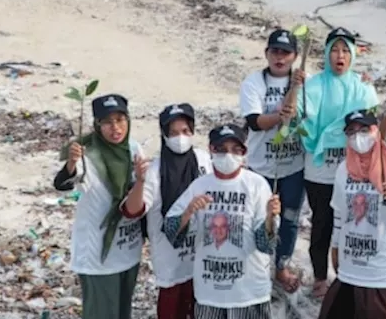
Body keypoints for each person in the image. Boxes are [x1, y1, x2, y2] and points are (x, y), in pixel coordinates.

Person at [163, 124, 281, 319]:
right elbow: (172, 234)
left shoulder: (256, 185)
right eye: (222, 149)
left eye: (236, 150)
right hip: (210, 295)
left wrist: (270, 217)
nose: (229, 155)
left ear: (244, 152)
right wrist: (188, 212)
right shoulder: (199, 185)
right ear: (211, 150)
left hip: (249, 294)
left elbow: (265, 245)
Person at [299, 27, 380, 298]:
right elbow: (301, 118)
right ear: (326, 53)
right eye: (334, 49)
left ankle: (349, 275)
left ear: (354, 54)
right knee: (321, 222)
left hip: (352, 168)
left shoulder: (363, 86)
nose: (339, 55)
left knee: (351, 222)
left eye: (345, 50)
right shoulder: (312, 85)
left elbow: (371, 123)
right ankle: (321, 277)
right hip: (319, 167)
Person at [318, 110, 386, 319]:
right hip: (351, 268)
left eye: (364, 130)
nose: (358, 137)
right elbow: (339, 213)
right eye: (351, 132)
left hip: (383, 272)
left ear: (375, 131)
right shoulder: (344, 170)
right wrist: (335, 247)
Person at [54, 93, 145, 319]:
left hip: (128, 251)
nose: (115, 128)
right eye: (107, 122)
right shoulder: (88, 154)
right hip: (98, 258)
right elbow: (63, 182)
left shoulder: (133, 149)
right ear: (97, 125)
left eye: (120, 119)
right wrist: (72, 163)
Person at [120, 103, 211, 319]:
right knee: (172, 307)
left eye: (185, 131)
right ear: (164, 135)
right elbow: (133, 211)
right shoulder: (154, 171)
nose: (180, 138)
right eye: (173, 133)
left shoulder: (203, 159)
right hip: (170, 257)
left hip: (201, 251)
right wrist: (140, 182)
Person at [239, 29, 307, 292]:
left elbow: (309, 119)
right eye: (275, 51)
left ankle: (281, 266)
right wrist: (280, 116)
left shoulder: (304, 82)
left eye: (286, 53)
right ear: (266, 53)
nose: (280, 58)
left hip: (293, 166)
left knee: (289, 218)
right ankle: (254, 264)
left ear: (295, 56)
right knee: (258, 217)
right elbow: (254, 122)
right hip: (261, 165)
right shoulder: (253, 83)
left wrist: (298, 89)